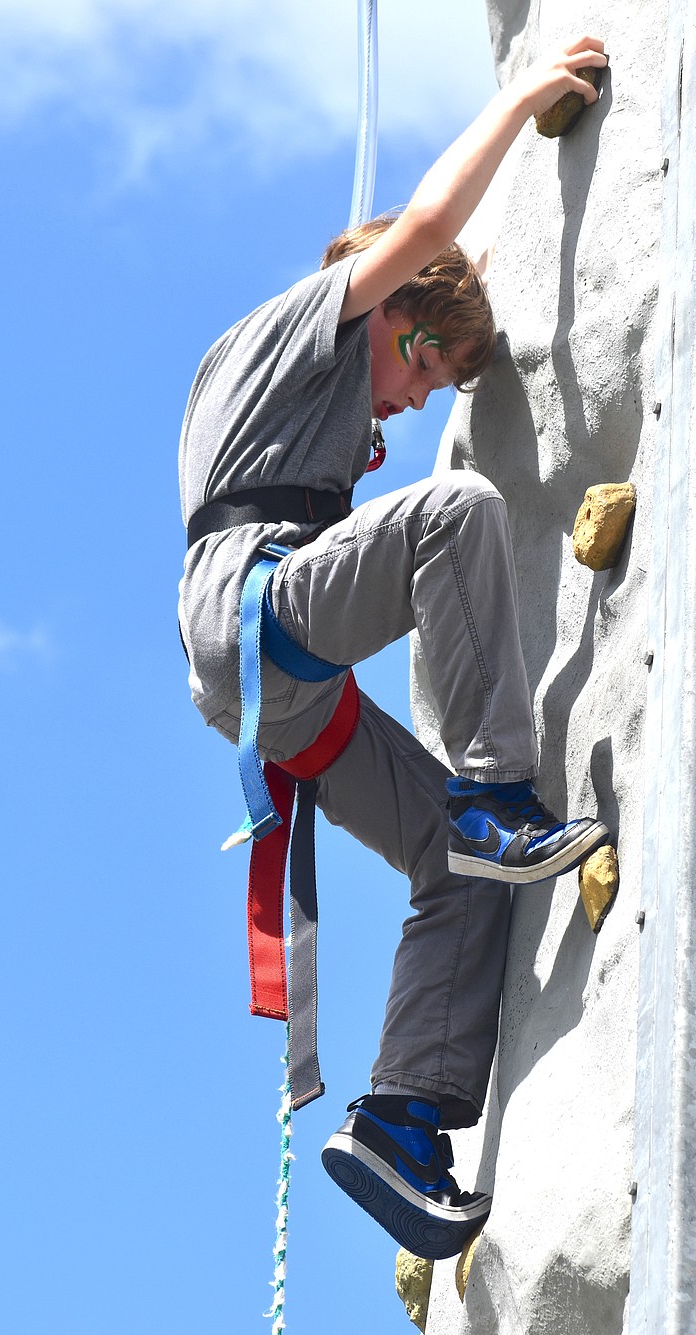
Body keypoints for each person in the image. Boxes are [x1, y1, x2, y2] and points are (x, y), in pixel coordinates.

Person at [178, 36, 609, 1260]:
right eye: (426, 367)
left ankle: (403, 1118)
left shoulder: (306, 401)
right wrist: (524, 97)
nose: (416, 401)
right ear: (393, 303)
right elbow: (422, 223)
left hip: (279, 686)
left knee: (462, 867)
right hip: (249, 604)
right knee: (457, 510)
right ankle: (490, 790)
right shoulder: (304, 324)